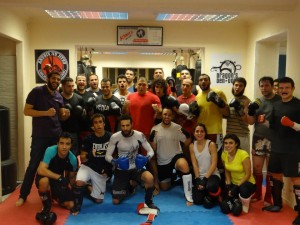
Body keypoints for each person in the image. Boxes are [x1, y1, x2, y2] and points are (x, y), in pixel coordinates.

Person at [16, 71, 70, 206]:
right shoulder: (37, 91)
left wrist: (65, 114)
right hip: (40, 136)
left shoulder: (59, 95)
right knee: (33, 165)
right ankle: (23, 195)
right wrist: (45, 113)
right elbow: (26, 111)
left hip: (56, 136)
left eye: (58, 79)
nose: (56, 81)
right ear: (47, 78)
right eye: (53, 78)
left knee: (54, 166)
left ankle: (54, 194)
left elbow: (60, 117)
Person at [263, 77, 300, 225]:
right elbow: (272, 125)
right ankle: (277, 204)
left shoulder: (298, 105)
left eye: (287, 88)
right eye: (281, 88)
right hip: (277, 147)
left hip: (293, 149)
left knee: (296, 179)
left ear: (293, 88)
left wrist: (292, 124)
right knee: (276, 175)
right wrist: (263, 122)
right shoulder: (276, 105)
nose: (283, 90)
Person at [105, 114, 159, 210]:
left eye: (127, 125)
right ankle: (130, 186)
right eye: (123, 126)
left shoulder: (139, 135)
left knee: (149, 178)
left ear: (132, 124)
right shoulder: (115, 137)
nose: (125, 128)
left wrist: (147, 158)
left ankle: (149, 202)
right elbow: (107, 156)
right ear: (120, 126)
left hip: (135, 167)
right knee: (116, 201)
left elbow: (151, 151)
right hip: (121, 169)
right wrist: (115, 161)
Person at [247, 76, 281, 205]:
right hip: (258, 138)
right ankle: (258, 192)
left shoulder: (279, 101)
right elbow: (250, 122)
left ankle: (268, 195)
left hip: (274, 139)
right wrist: (250, 111)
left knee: (271, 169)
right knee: (257, 168)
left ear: (272, 86)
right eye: (261, 86)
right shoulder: (257, 102)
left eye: (267, 85)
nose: (264, 88)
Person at [124, 77, 161, 193]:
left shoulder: (154, 97)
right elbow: (125, 114)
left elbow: (160, 116)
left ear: (147, 86)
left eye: (143, 84)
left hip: (147, 133)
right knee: (132, 158)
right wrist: (125, 107)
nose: (141, 86)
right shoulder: (130, 96)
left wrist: (158, 111)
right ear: (136, 85)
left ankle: (155, 183)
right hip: (133, 134)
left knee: (151, 159)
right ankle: (133, 183)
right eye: (139, 84)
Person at [149, 108, 192, 205]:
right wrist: (151, 140)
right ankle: (174, 176)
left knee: (184, 165)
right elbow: (154, 148)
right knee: (165, 188)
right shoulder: (155, 129)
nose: (167, 117)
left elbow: (187, 143)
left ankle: (189, 196)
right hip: (163, 161)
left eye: (169, 115)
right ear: (162, 116)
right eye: (165, 114)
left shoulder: (177, 128)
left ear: (172, 116)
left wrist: (187, 135)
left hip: (176, 156)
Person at [72, 113, 112, 215]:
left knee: (98, 200)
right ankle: (77, 206)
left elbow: (115, 156)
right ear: (92, 126)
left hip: (101, 170)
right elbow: (82, 158)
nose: (98, 125)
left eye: (100, 122)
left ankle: (87, 187)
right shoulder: (88, 139)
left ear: (104, 124)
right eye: (95, 123)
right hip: (88, 167)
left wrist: (109, 169)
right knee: (79, 182)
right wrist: (90, 154)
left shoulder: (111, 137)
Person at [35, 132, 77, 224]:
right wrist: (59, 177)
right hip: (45, 176)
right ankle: (46, 206)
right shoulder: (50, 150)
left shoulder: (73, 159)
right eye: (61, 143)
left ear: (71, 145)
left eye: (67, 144)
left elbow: (72, 178)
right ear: (57, 144)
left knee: (70, 205)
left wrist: (71, 193)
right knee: (44, 182)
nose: (64, 147)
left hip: (57, 181)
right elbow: (41, 170)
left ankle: (54, 196)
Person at [220, 134, 256, 216]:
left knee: (243, 190)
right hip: (234, 183)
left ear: (236, 144)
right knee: (225, 208)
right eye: (225, 143)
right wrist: (228, 184)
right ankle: (237, 199)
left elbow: (248, 174)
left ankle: (245, 203)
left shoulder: (243, 154)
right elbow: (227, 170)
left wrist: (236, 187)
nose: (228, 145)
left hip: (247, 183)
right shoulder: (224, 154)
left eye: (230, 143)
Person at [190, 123, 221, 208]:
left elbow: (214, 163)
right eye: (197, 131)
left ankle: (217, 192)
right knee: (197, 201)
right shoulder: (192, 146)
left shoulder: (211, 144)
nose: (199, 133)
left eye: (202, 131)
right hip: (200, 175)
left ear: (205, 133)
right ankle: (206, 192)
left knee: (211, 186)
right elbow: (194, 163)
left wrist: (205, 179)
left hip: (212, 175)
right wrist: (197, 179)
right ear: (194, 133)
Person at [60, 77, 85, 156]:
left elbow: (83, 117)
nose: (71, 88)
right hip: (60, 132)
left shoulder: (79, 98)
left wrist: (81, 114)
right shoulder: (58, 98)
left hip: (74, 132)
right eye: (69, 86)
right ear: (63, 86)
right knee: (60, 154)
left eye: (72, 86)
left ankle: (72, 169)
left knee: (73, 155)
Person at [226, 77, 251, 153]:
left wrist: (240, 109)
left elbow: (248, 121)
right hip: (230, 134)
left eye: (241, 86)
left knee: (243, 160)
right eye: (236, 85)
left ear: (244, 88)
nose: (238, 87)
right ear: (233, 86)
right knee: (230, 160)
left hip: (242, 135)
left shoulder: (246, 101)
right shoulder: (230, 101)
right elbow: (226, 116)